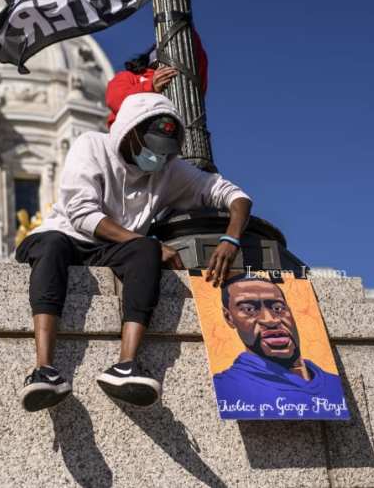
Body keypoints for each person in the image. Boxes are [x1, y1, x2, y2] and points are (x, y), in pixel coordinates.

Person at [15, 93, 251, 412]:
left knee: (144, 251)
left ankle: (125, 365)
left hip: (111, 248)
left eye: (166, 152)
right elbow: (82, 213)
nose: (157, 157)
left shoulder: (168, 168)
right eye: (152, 147)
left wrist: (231, 239)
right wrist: (147, 243)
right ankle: (44, 368)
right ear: (130, 131)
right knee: (55, 246)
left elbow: (232, 195)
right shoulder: (91, 145)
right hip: (63, 235)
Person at [212, 274, 344, 417]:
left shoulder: (332, 383)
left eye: (278, 308)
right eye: (249, 309)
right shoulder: (228, 386)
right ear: (228, 317)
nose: (270, 320)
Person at [105, 28, 208, 128]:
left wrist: (184, 24)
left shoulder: (186, 80)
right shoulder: (129, 76)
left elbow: (197, 55)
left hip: (180, 134)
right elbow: (117, 101)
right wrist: (150, 87)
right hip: (136, 138)